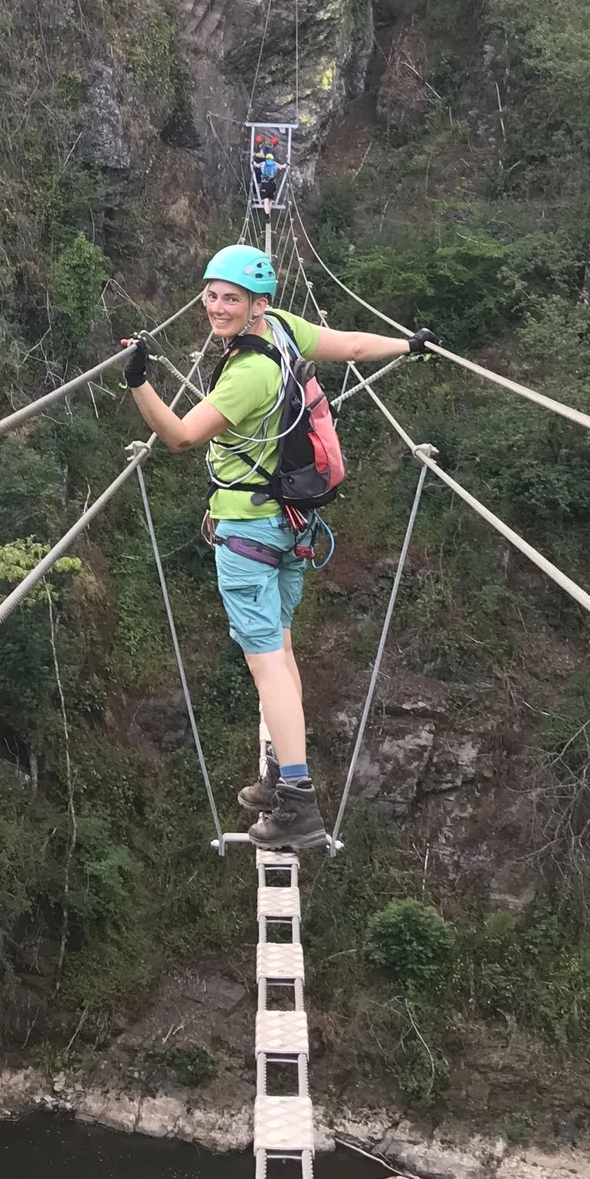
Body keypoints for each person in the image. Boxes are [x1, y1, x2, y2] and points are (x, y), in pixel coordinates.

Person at [125, 245, 432, 850]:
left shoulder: (248, 373)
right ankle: (279, 779)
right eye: (211, 294)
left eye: (230, 299)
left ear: (256, 303)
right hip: (290, 528)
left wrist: (138, 382)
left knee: (268, 673)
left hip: (249, 533)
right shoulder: (284, 330)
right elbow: (346, 346)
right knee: (282, 661)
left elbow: (182, 436)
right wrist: (406, 345)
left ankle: (298, 805)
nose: (216, 307)